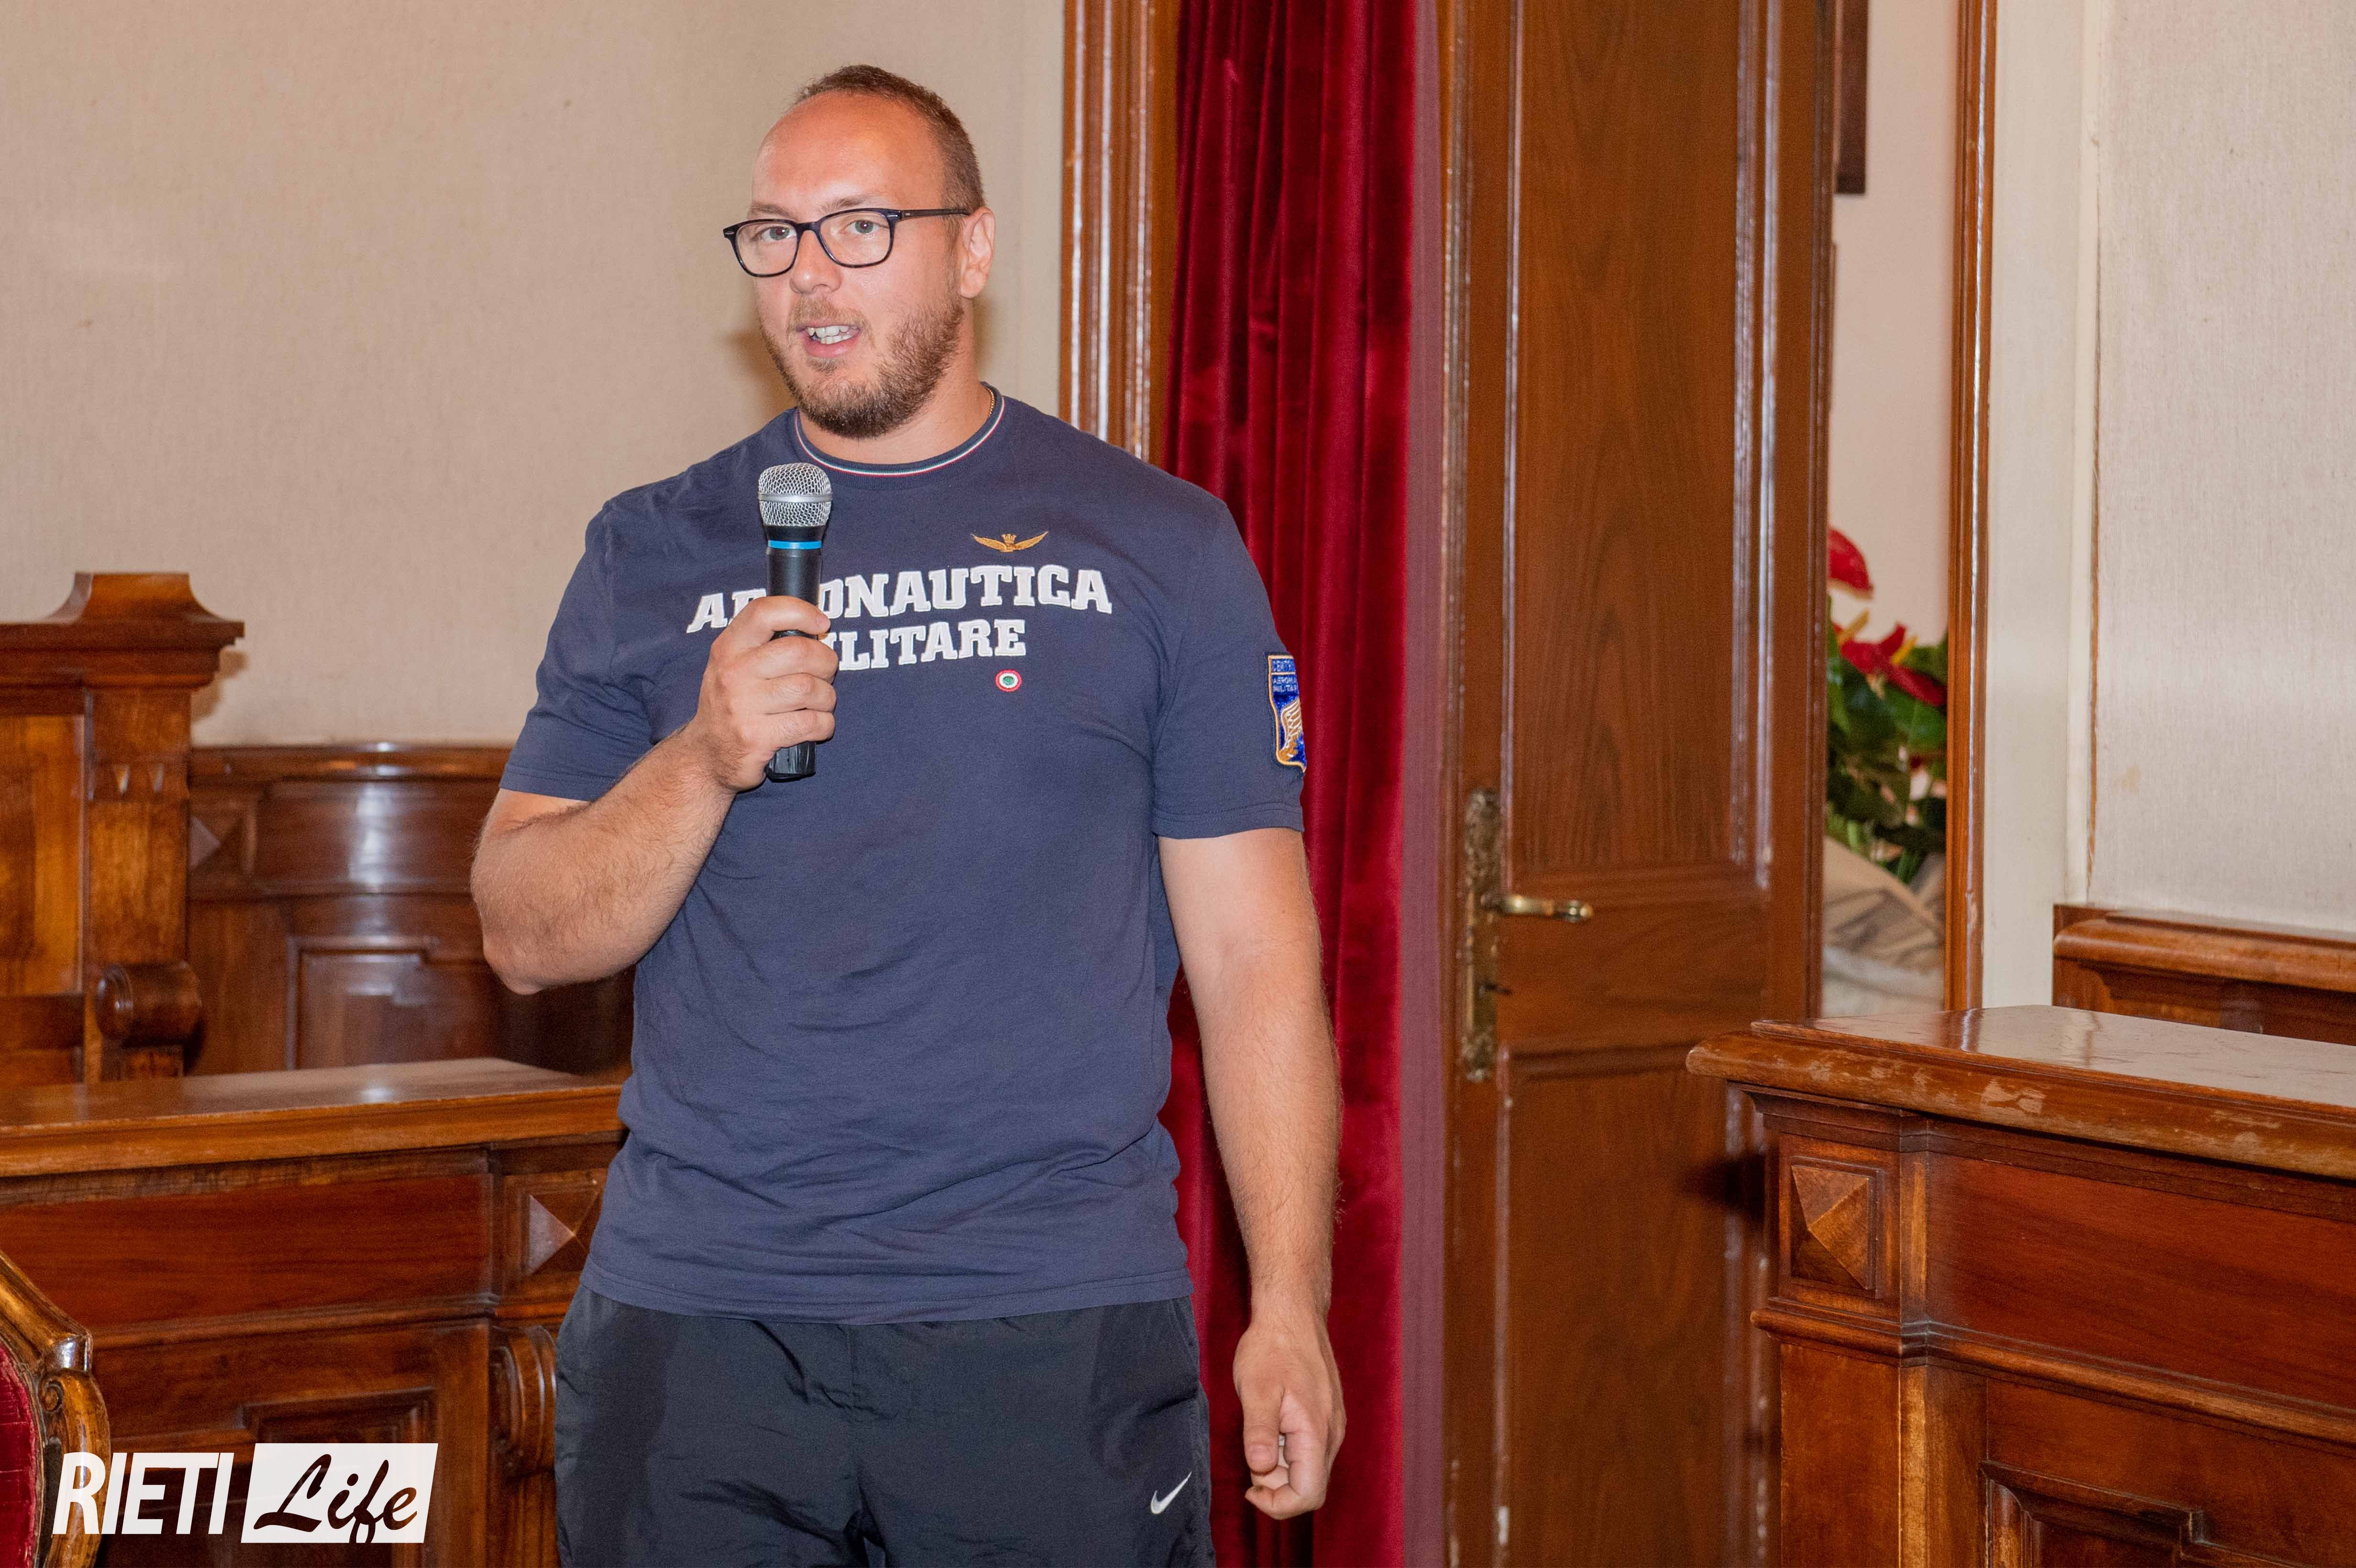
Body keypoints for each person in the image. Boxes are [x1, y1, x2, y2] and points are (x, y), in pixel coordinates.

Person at [471, 63, 1344, 1567]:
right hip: (704, 1325)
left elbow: (1256, 960)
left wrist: (1290, 1303)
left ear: (974, 248)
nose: (809, 276)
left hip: (1048, 1317)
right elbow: (524, 936)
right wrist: (703, 759)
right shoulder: (651, 548)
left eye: (861, 228)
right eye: (774, 235)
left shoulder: (1161, 545)